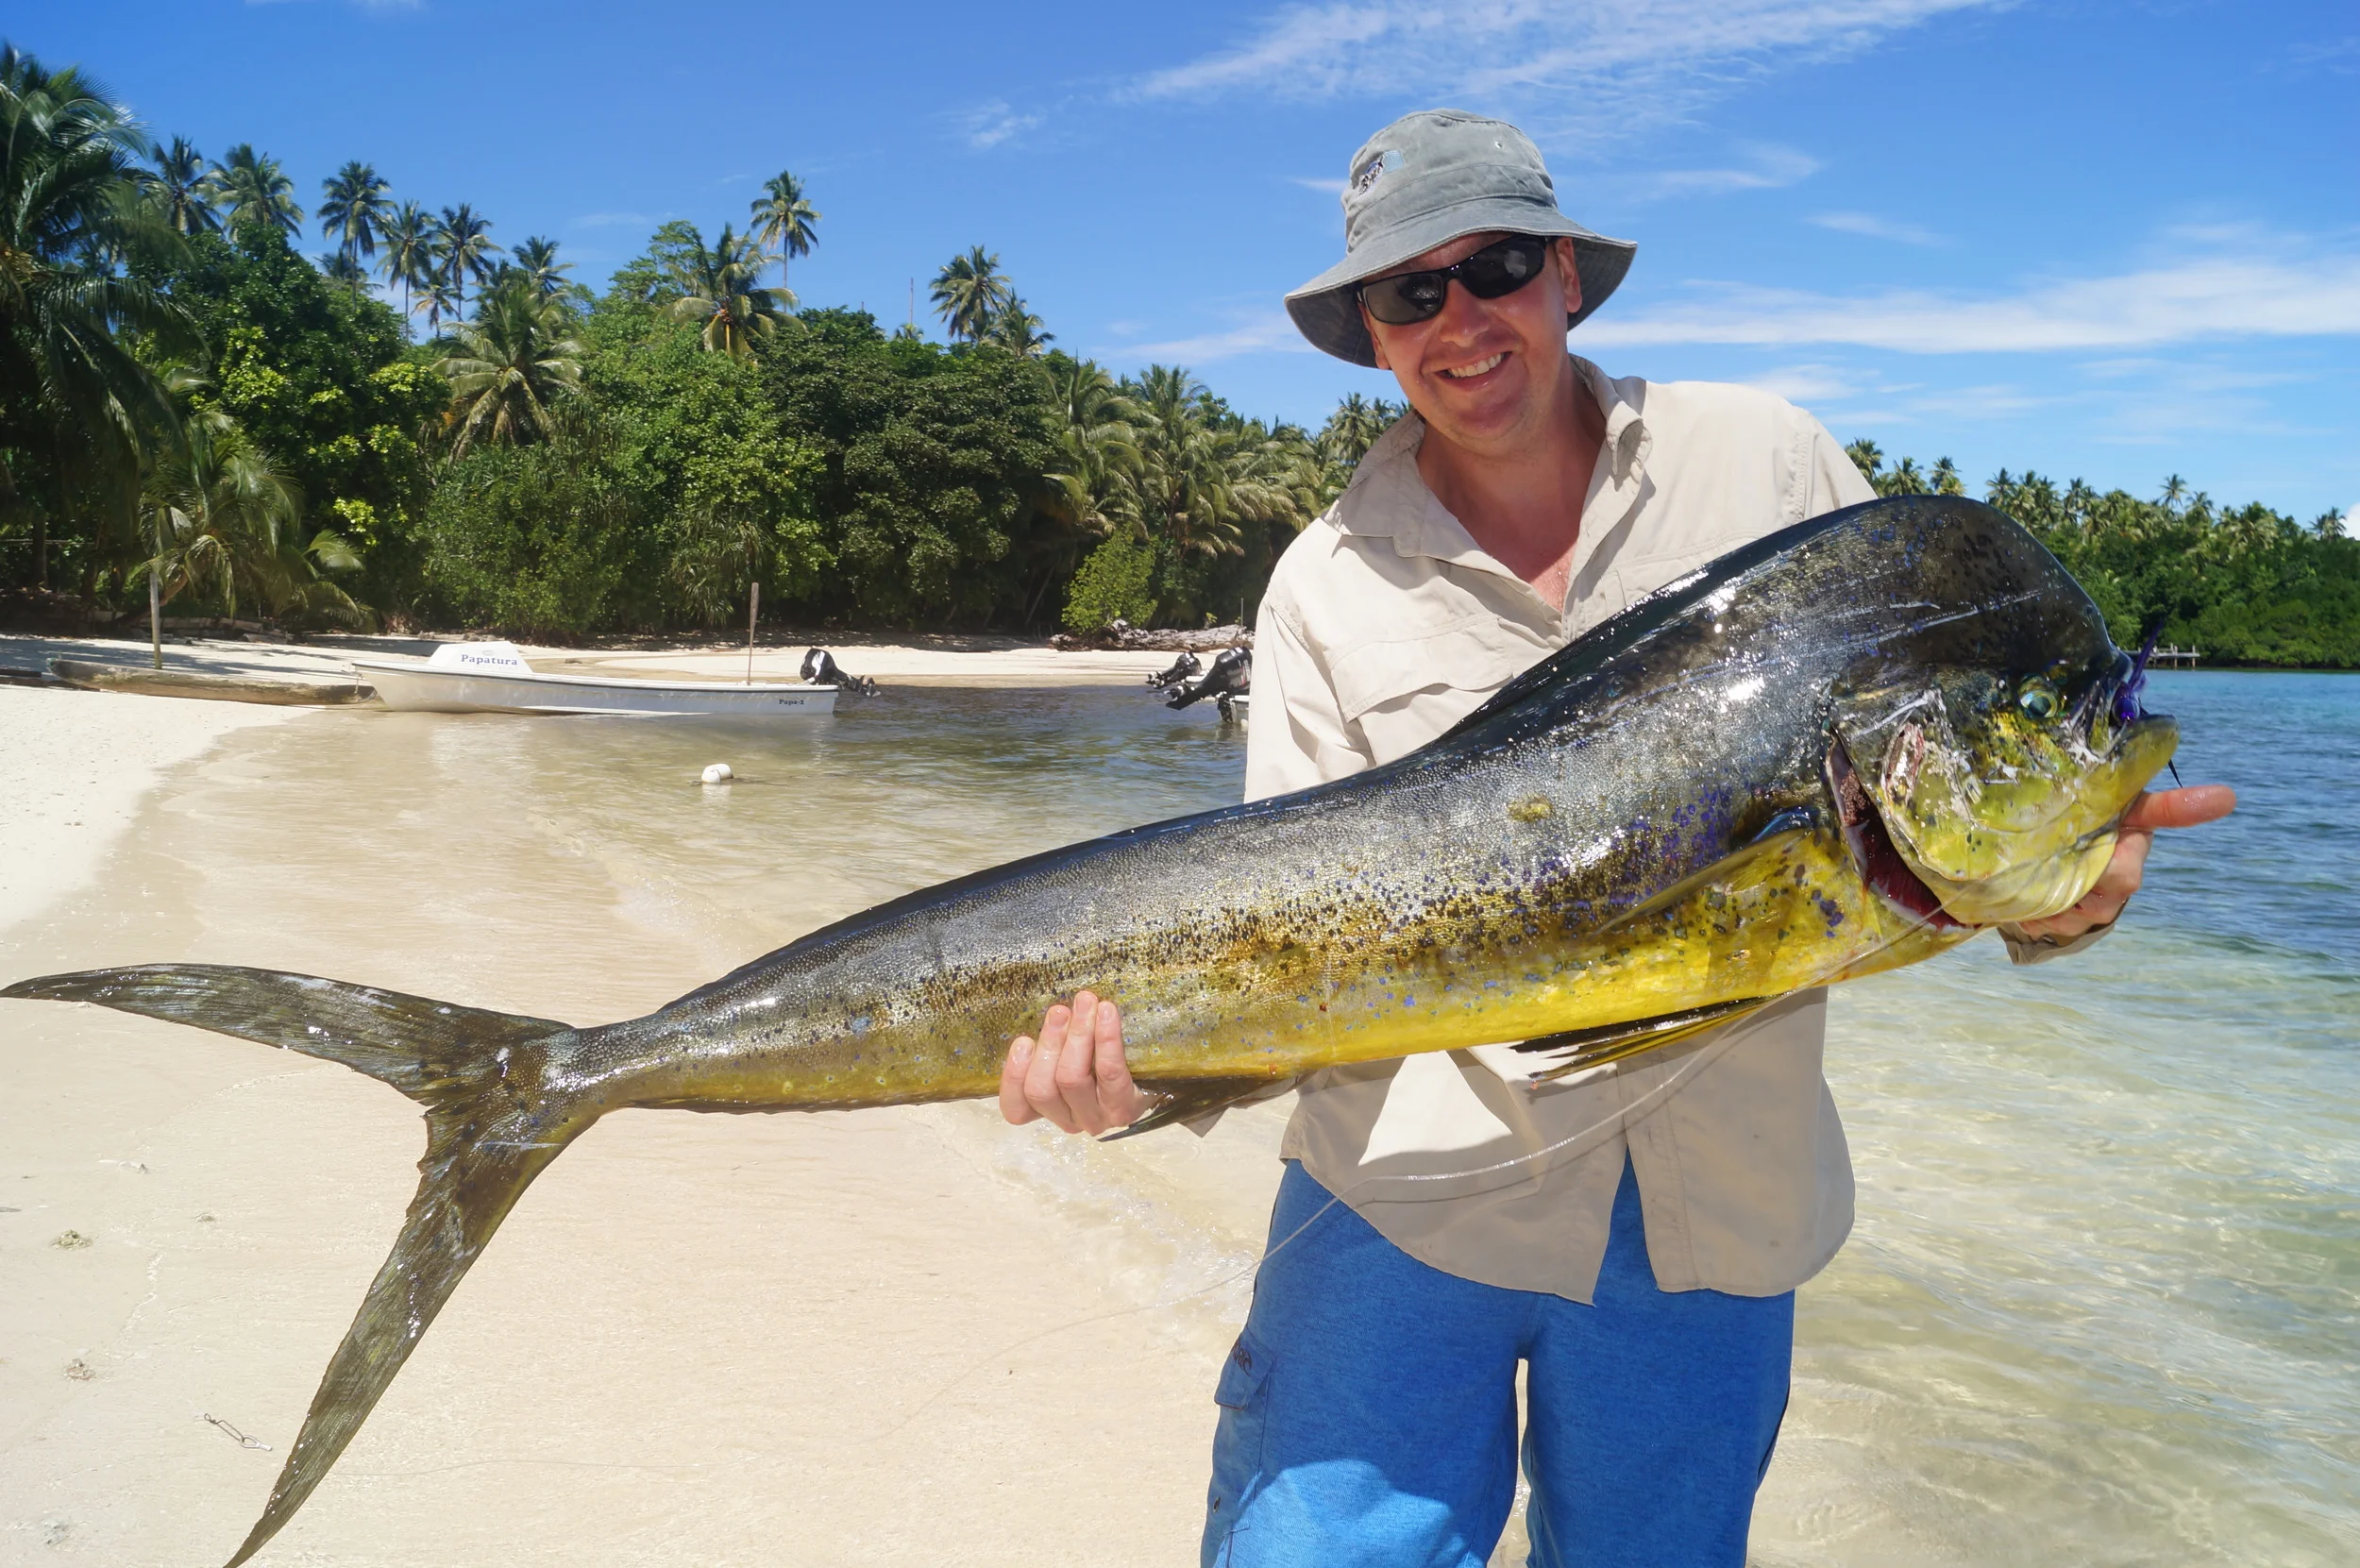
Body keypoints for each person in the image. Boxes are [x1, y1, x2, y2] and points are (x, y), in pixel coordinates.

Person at [999, 110, 2234, 1567]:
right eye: (1412, 291)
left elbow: (1937, 808)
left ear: (1566, 273)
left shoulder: (1771, 463)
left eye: (1498, 268)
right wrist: (1136, 1065)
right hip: (1404, 1204)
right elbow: (1282, 942)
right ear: (1373, 333)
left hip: (1713, 1227)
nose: (1461, 319)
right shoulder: (1322, 583)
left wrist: (2065, 895)